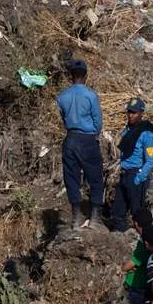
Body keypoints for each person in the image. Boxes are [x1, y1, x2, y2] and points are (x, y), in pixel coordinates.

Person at [57, 58, 104, 229]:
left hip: (70, 138)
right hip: (87, 139)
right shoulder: (91, 95)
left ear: (71, 76)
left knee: (71, 178)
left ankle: (76, 217)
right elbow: (98, 121)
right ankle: (95, 218)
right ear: (85, 76)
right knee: (96, 178)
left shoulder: (62, 97)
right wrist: (94, 134)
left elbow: (63, 118)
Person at [112, 99, 153, 231]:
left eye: (134, 112)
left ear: (141, 113)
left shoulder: (147, 134)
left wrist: (138, 179)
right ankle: (119, 237)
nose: (130, 115)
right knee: (118, 211)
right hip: (124, 174)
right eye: (129, 112)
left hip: (136, 175)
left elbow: (150, 161)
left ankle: (142, 242)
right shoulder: (127, 130)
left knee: (137, 214)